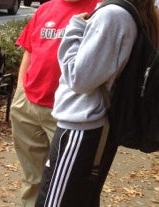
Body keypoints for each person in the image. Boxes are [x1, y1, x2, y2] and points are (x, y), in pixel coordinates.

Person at [35, 0, 159, 206]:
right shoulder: (127, 13)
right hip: (93, 128)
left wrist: (75, 27)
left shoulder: (112, 15)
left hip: (81, 129)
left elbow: (79, 79)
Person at [9, 0, 99, 205]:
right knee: (33, 178)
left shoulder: (100, 10)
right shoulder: (45, 8)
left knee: (70, 183)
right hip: (27, 106)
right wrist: (20, 91)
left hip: (68, 114)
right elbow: (29, 50)